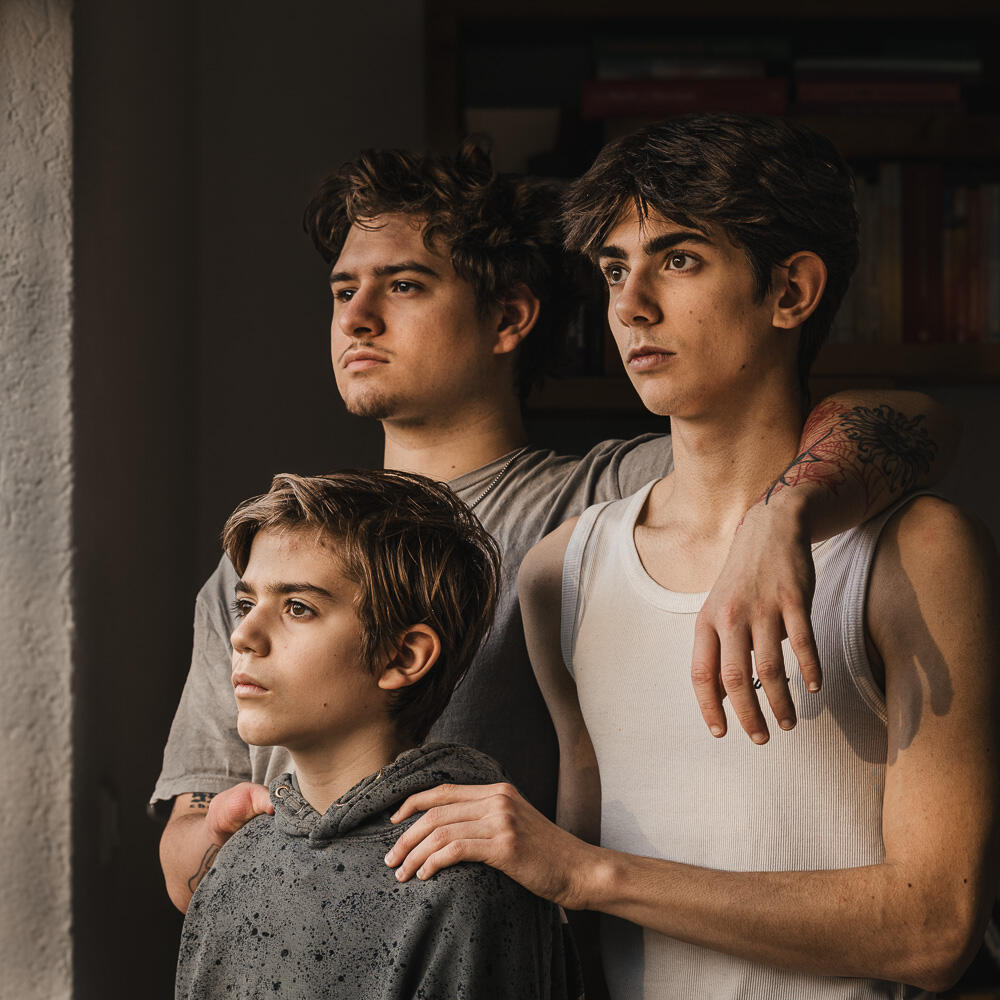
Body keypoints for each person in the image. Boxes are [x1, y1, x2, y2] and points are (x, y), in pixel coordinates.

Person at [154, 139, 957, 914]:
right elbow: (187, 852)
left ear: (509, 317)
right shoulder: (265, 560)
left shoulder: (599, 506)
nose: (357, 318)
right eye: (341, 291)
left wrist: (778, 515)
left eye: (402, 285)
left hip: (495, 946)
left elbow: (911, 422)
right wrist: (223, 839)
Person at [382, 115, 999, 998]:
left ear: (791, 291)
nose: (631, 305)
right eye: (613, 269)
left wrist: (590, 872)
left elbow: (933, 928)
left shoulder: (919, 554)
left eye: (678, 259)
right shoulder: (565, 571)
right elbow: (587, 946)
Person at [174, 470, 582, 1000]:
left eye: (298, 608)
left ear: (402, 657)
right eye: (246, 605)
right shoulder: (236, 863)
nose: (243, 636)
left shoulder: (466, 883)